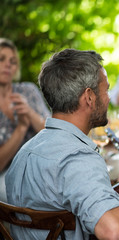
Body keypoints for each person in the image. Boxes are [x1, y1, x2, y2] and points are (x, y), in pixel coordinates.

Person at [5, 49, 119, 239]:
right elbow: (114, 230)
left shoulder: (24, 153)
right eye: (106, 89)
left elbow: (57, 197)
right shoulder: (77, 157)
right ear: (89, 97)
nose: (109, 98)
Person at [0, 38, 50, 203]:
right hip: (7, 174)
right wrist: (21, 128)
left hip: (41, 165)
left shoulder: (27, 90)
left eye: (13, 61)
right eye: (2, 59)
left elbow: (53, 133)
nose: (8, 64)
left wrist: (29, 112)